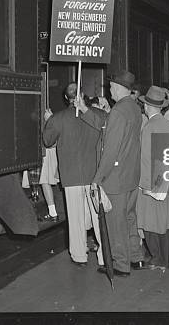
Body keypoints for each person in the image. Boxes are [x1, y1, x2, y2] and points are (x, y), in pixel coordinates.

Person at [75, 70, 145, 276]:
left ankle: (120, 265)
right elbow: (106, 127)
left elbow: (111, 148)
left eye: (112, 86)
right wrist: (85, 110)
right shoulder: (133, 108)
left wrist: (97, 179)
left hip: (116, 177)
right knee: (130, 219)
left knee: (116, 223)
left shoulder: (118, 112)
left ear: (119, 87)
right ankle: (136, 257)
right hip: (131, 175)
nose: (109, 89)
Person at [42, 82, 105, 267]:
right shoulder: (99, 115)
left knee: (75, 218)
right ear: (83, 95)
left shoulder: (58, 118)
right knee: (98, 217)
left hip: (71, 176)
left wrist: (49, 120)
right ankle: (103, 256)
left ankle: (79, 256)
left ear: (65, 98)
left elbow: (47, 141)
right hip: (95, 174)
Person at [136, 85, 169, 268]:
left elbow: (145, 158)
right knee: (165, 223)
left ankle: (157, 258)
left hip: (152, 181)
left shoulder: (149, 128)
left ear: (146, 107)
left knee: (150, 224)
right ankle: (168, 259)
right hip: (168, 180)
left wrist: (145, 185)